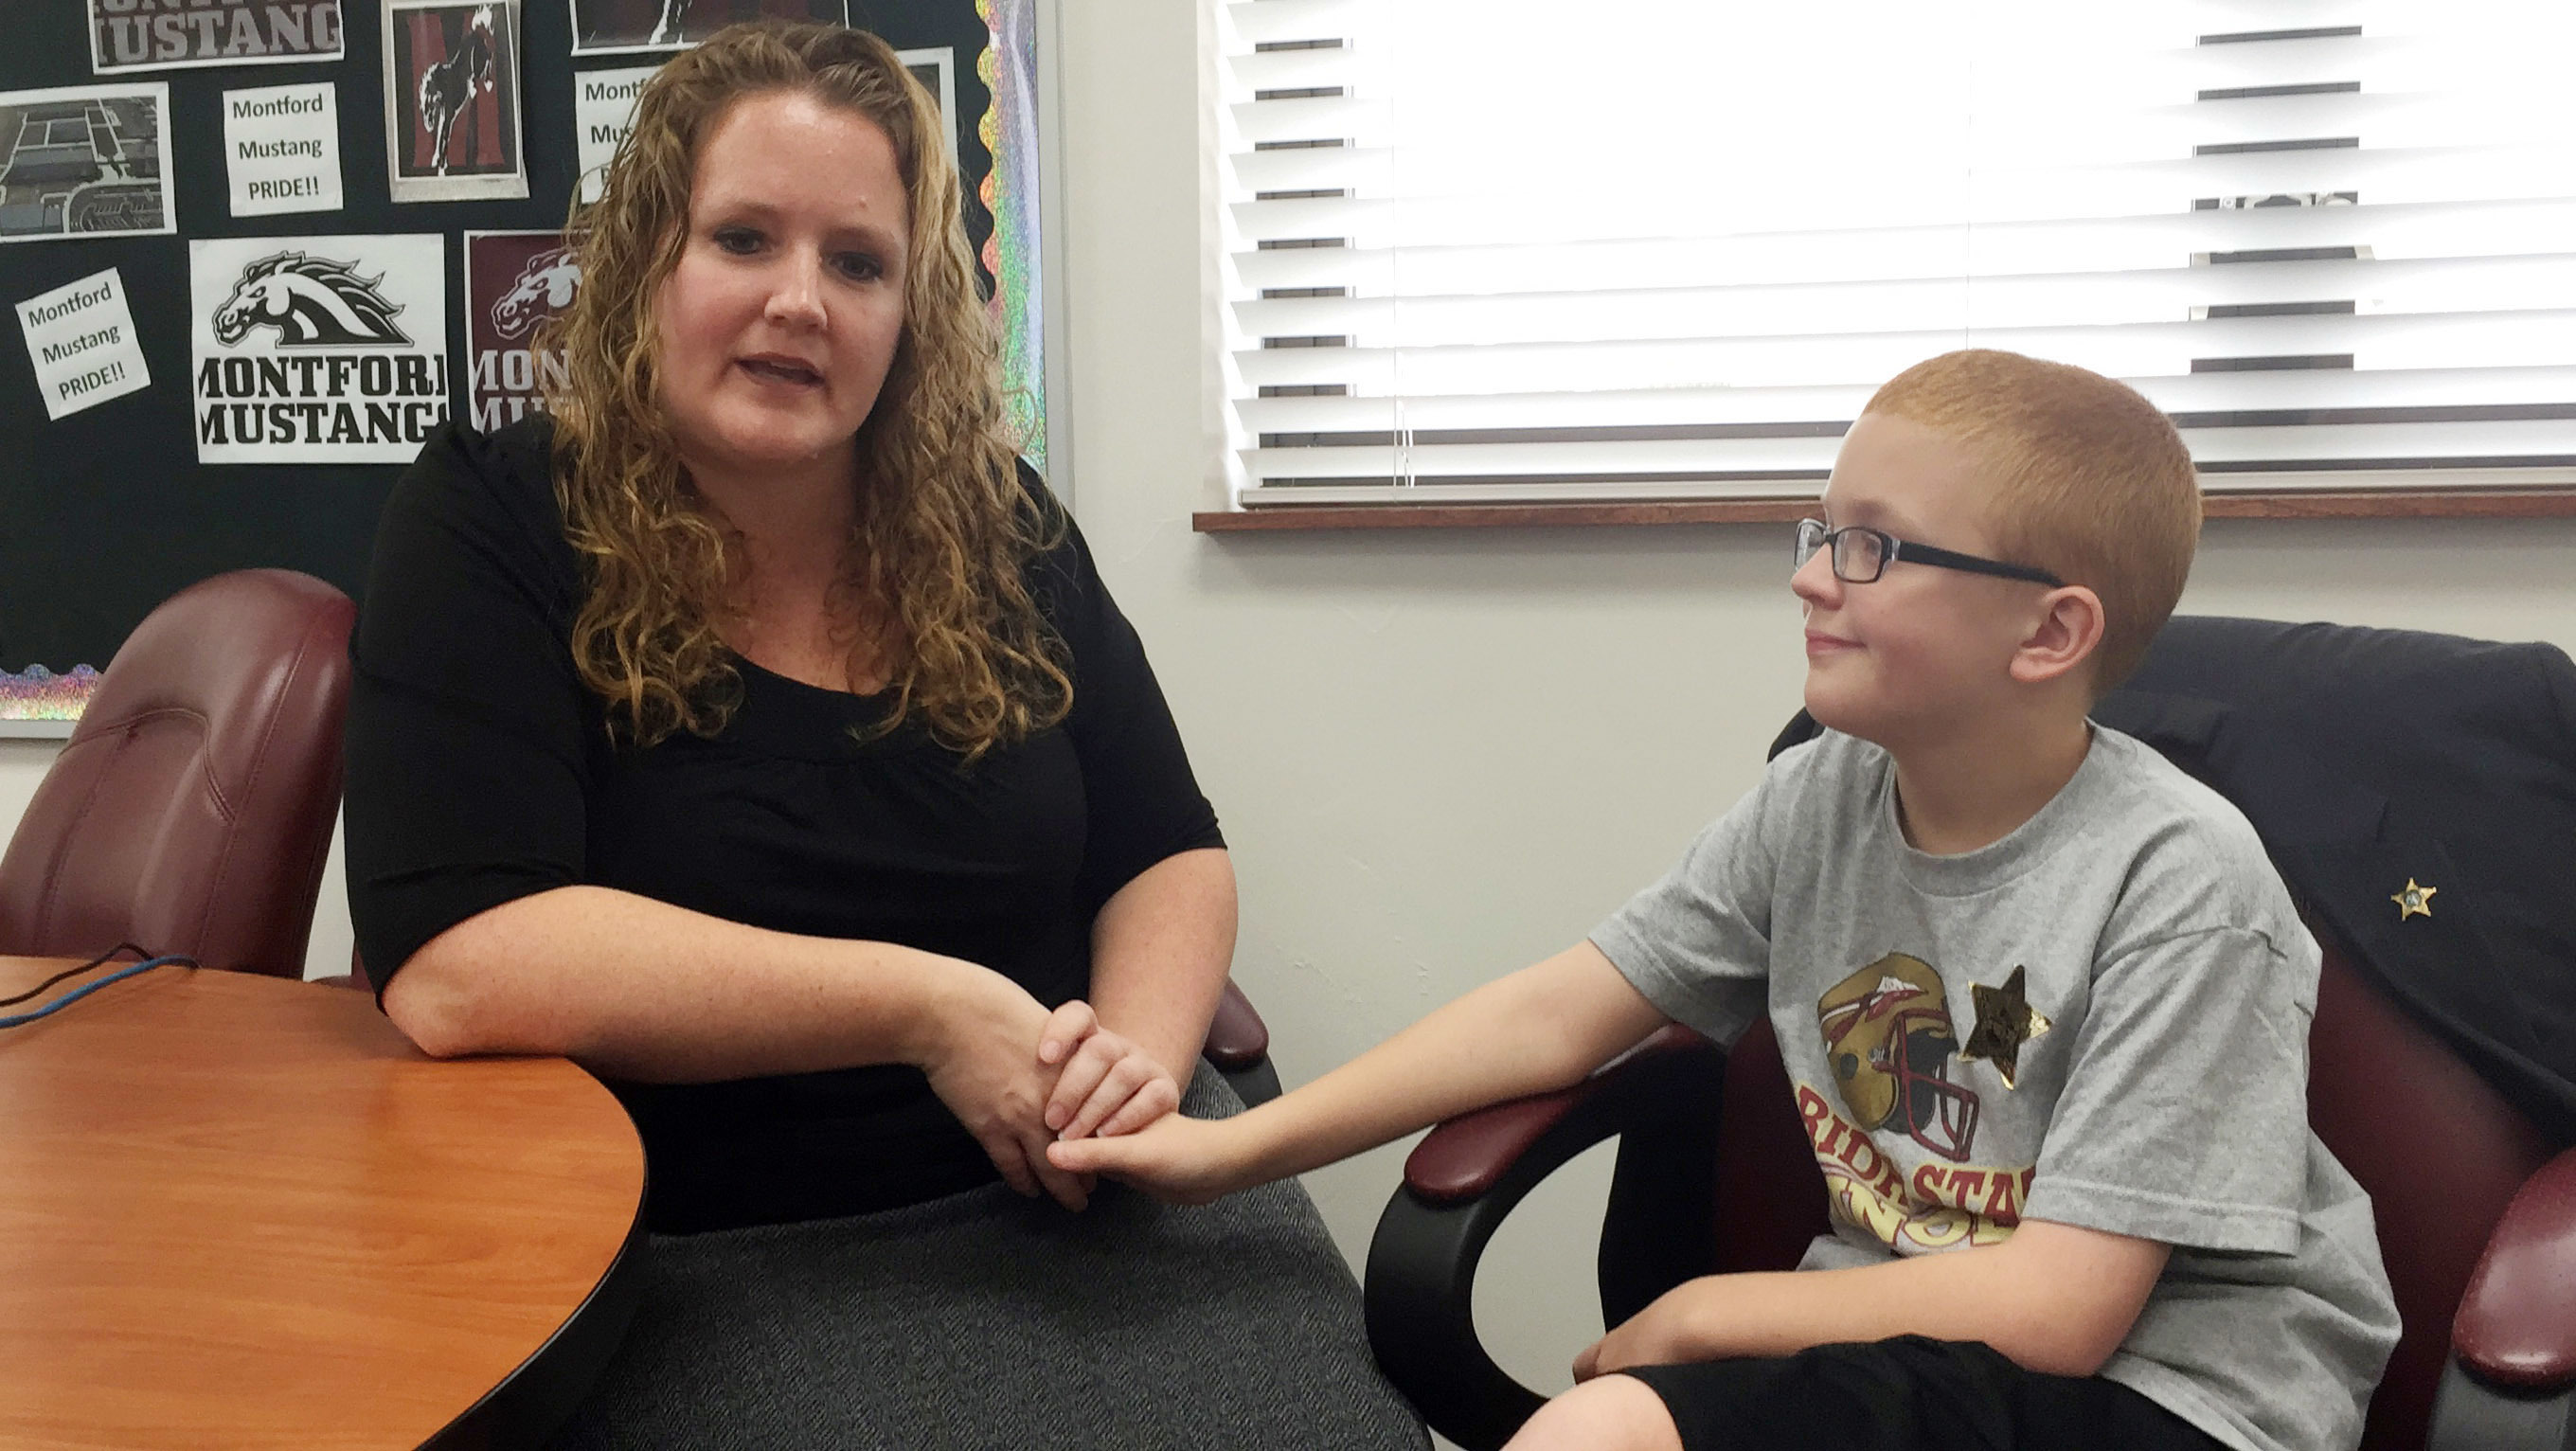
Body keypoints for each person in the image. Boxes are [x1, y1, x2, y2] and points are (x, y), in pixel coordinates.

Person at [343, 21, 1421, 1448]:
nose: (800, 301)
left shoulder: (1000, 526)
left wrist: (1132, 1081)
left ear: (910, 311)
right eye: (743, 239)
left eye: (857, 263)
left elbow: (1168, 849)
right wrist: (929, 1009)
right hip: (708, 1253)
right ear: (650, 261)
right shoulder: (494, 520)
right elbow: (460, 964)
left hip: (1088, 1196)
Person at [1053, 349, 2403, 1451]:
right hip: (1902, 1344)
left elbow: (2059, 1314)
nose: (1810, 575)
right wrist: (1230, 1152)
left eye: (1874, 548)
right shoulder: (1821, 798)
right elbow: (1555, 1015)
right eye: (1822, 531)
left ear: (2050, 633)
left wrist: (1705, 1317)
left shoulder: (2182, 882)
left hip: (2173, 1397)